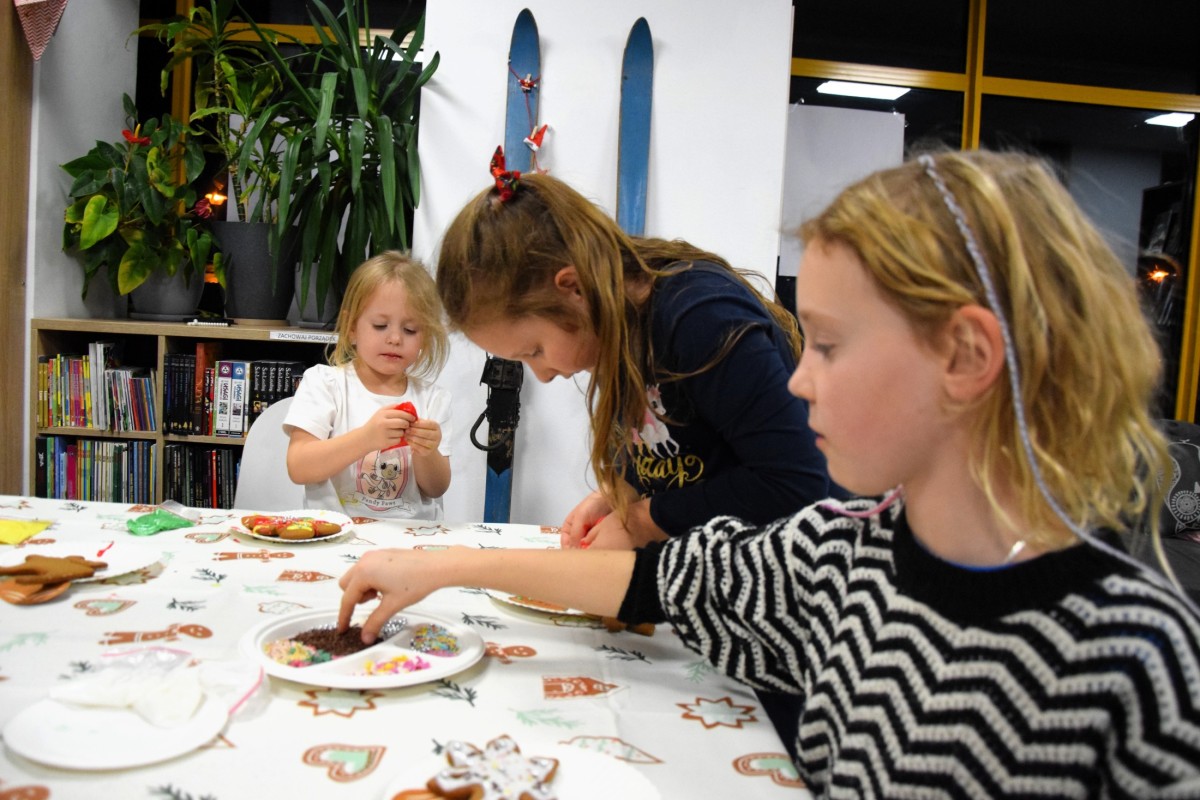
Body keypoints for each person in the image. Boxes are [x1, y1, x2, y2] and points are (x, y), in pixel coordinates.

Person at [339, 150, 1200, 795]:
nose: (794, 379)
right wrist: (437, 565)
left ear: (966, 356)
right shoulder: (831, 560)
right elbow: (648, 585)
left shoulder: (1141, 669)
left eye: (827, 344)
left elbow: (683, 545)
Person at [436, 156, 833, 550]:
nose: (542, 374)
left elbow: (796, 482)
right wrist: (618, 493)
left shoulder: (702, 320)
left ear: (574, 289)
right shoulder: (615, 325)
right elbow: (672, 442)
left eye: (535, 351)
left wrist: (646, 520)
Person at [285, 251, 453, 520]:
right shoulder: (325, 384)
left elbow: (436, 488)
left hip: (410, 539)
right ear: (352, 327)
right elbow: (299, 466)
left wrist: (428, 451)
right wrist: (366, 438)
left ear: (425, 337)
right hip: (337, 534)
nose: (395, 338)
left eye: (410, 329)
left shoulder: (432, 398)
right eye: (380, 325)